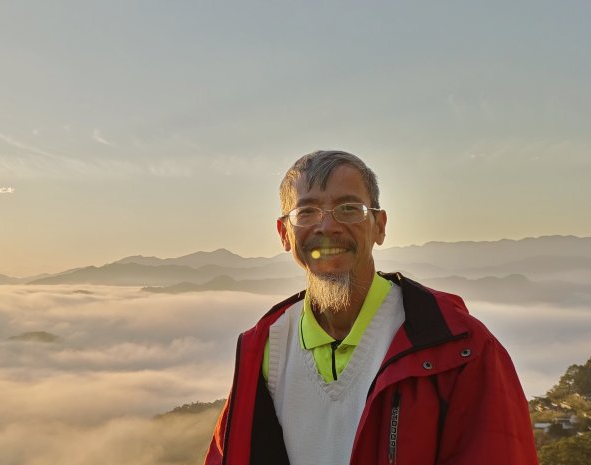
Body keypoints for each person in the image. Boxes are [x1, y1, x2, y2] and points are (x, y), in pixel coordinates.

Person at [203, 150, 538, 465]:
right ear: (284, 233)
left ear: (380, 226)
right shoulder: (261, 352)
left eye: (349, 208)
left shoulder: (461, 349)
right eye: (306, 212)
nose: (327, 226)